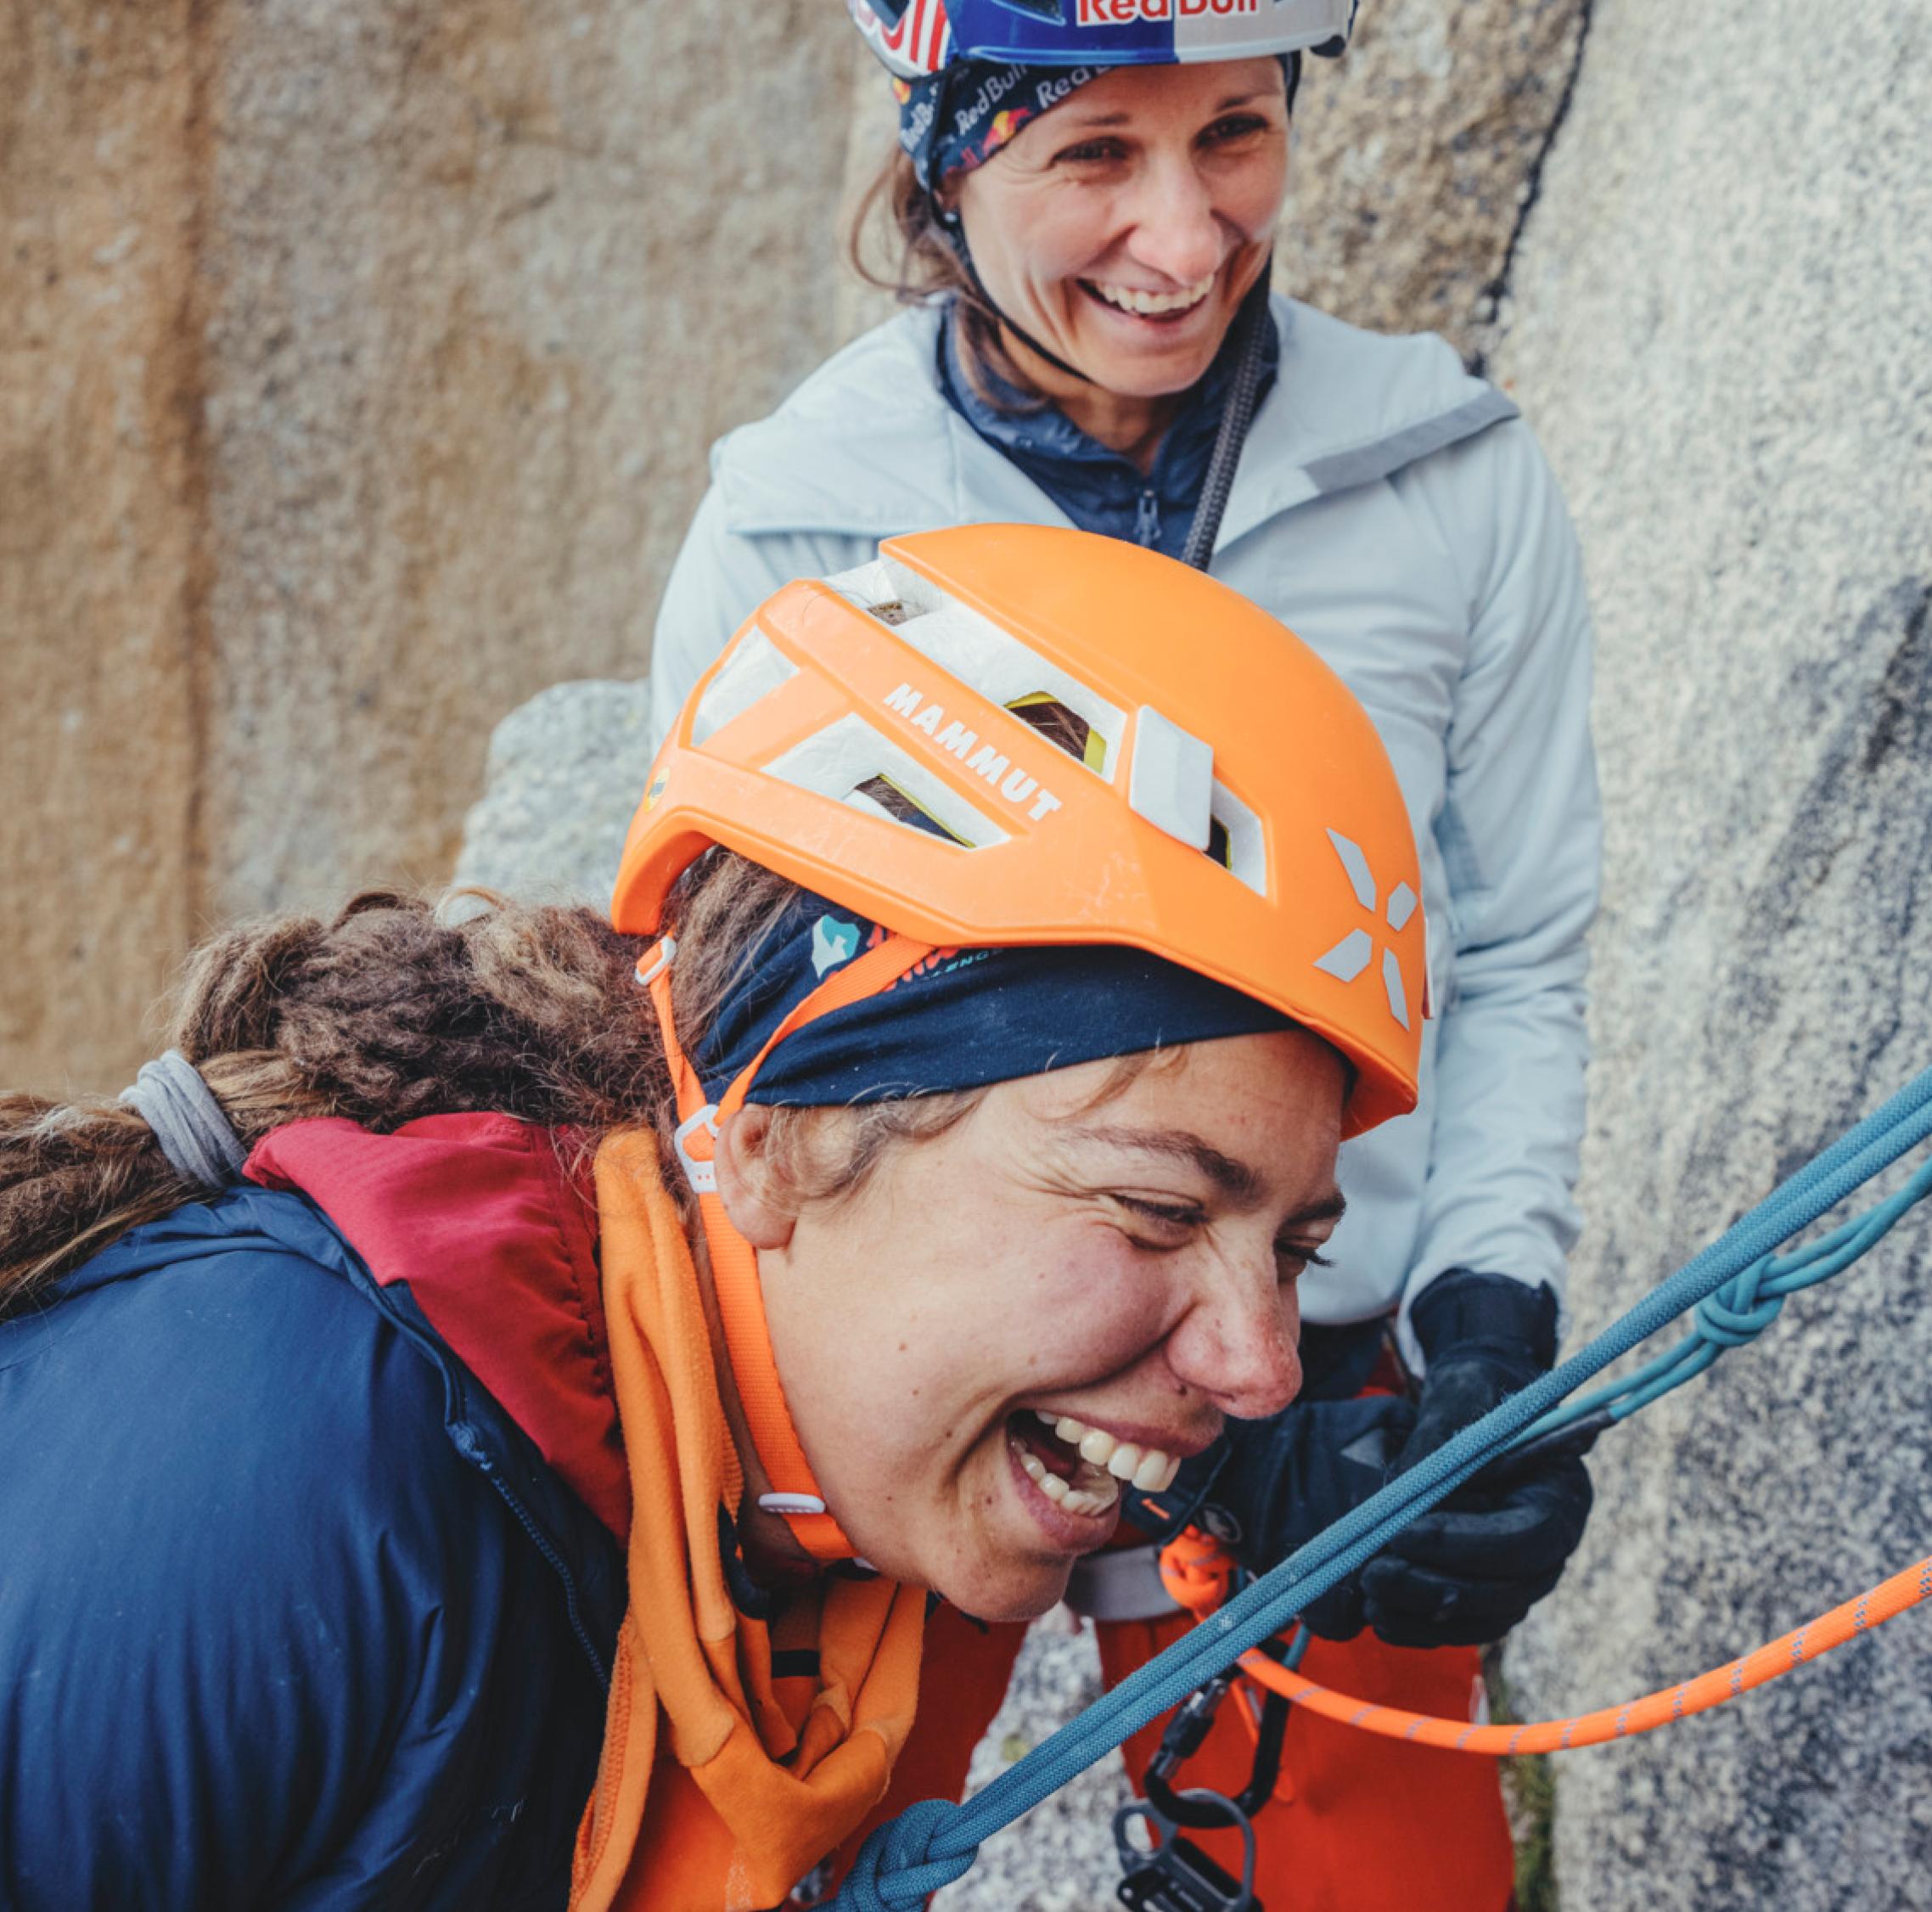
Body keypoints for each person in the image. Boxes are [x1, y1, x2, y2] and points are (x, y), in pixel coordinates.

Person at [0, 526, 1430, 1909]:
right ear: (773, 1139)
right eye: (1159, 1208)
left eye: (1295, 1252)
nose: (1263, 1368)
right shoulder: (285, 1476)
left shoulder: (789, 1519)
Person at [646, 3, 1601, 1903]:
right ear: (948, 150)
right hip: (907, 1389)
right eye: (1094, 154)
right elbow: (706, 1042)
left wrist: (1488, 1313)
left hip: (1304, 1352)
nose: (1182, 241)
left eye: (1234, 137)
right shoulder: (800, 530)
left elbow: (1510, 945)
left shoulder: (1447, 477)